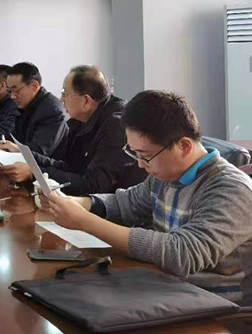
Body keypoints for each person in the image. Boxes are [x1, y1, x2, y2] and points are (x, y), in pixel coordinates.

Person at [45, 90, 252, 303]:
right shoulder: (165, 174)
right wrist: (82, 203)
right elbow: (127, 203)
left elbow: (182, 253)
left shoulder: (232, 189)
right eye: (134, 153)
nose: (140, 164)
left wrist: (85, 221)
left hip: (216, 306)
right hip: (165, 288)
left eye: (146, 156)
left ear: (184, 146)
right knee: (64, 292)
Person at [0, 65, 146, 194]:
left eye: (65, 94)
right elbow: (68, 167)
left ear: (86, 101)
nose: (61, 99)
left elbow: (94, 185)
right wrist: (24, 154)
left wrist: (35, 173)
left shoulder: (116, 127)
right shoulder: (78, 122)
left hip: (115, 209)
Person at [0, 62, 67, 157]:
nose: (12, 96)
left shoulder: (52, 111)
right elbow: (16, 137)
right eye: (9, 91)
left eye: (16, 90)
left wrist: (16, 148)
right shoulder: (26, 105)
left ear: (34, 86)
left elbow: (40, 151)